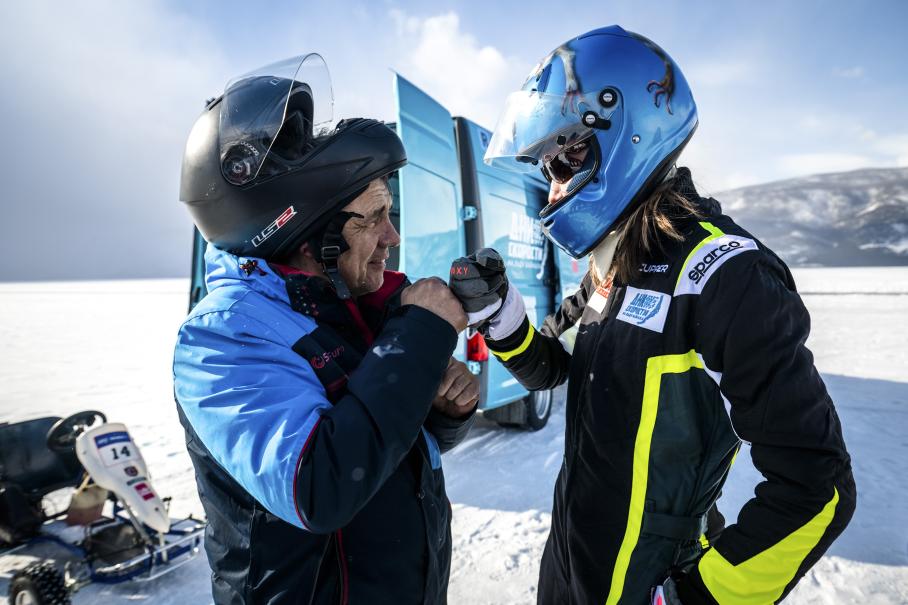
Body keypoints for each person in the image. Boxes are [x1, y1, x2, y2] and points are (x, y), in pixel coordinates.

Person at [449, 26, 856, 605]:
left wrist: (698, 597)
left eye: (562, 161)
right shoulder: (614, 263)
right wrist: (501, 314)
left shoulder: (721, 274)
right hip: (572, 569)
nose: (553, 188)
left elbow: (818, 486)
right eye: (546, 170)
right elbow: (556, 370)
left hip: (646, 582)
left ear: (620, 134)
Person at [173, 54, 478, 605]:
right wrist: (419, 336)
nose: (391, 237)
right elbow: (321, 487)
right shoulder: (223, 339)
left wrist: (440, 410)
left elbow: (387, 445)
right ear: (310, 232)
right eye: (374, 216)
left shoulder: (343, 308)